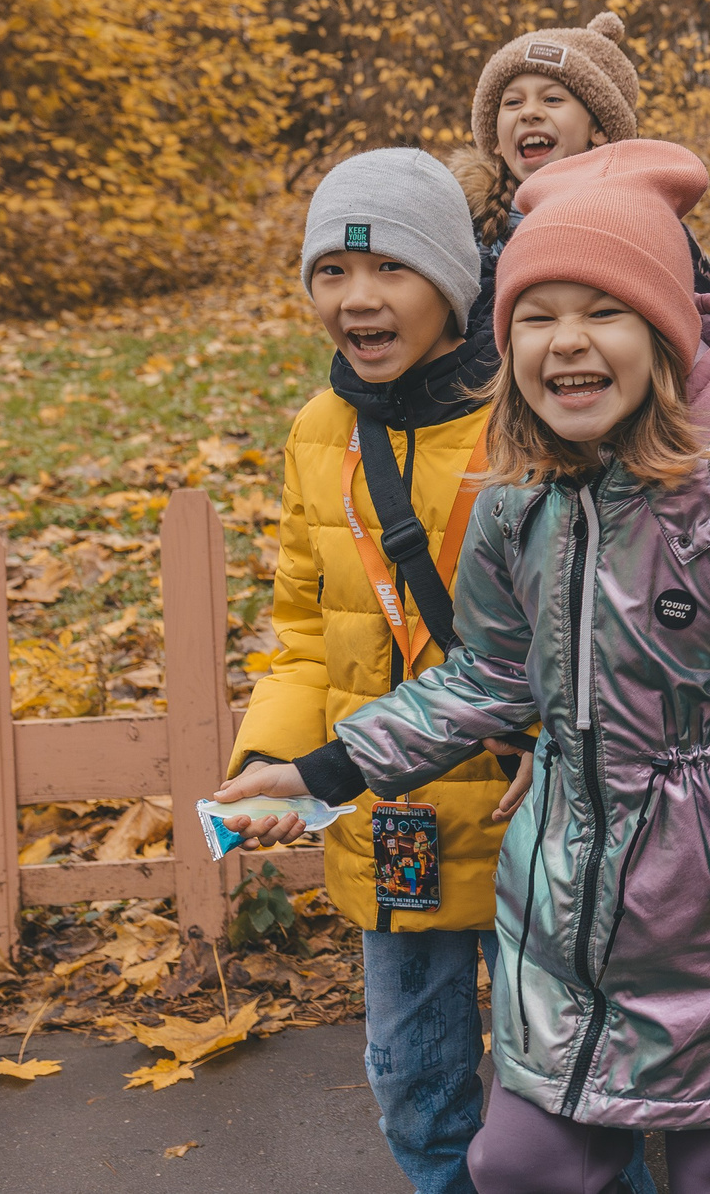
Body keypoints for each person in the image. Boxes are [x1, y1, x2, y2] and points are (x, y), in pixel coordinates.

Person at [213, 140, 710, 1194]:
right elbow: (490, 678)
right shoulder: (520, 497)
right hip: (569, 903)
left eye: (603, 312)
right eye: (536, 318)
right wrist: (328, 770)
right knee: (524, 1163)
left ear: (665, 330)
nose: (567, 344)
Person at [226, 148, 519, 1194]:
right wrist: (275, 759)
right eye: (332, 274)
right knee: (415, 1087)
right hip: (388, 820)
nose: (358, 299)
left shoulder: (526, 418)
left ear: (453, 280)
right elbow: (304, 626)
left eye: (391, 269)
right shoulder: (320, 431)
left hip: (525, 810)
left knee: (560, 1106)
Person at [452, 10, 710, 340]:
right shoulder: (466, 231)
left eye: (552, 98)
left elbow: (701, 333)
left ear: (599, 130)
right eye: (513, 102)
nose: (530, 112)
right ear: (496, 141)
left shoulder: (648, 225)